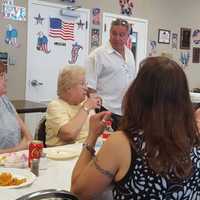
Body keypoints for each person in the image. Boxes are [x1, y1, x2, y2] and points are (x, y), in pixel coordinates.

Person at [71, 57, 200, 200]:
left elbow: (79, 192)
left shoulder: (123, 143)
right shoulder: (194, 138)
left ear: (138, 93)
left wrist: (92, 137)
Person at [86, 18, 136, 131]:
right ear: (109, 33)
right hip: (106, 110)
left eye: (122, 35)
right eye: (114, 34)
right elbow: (90, 88)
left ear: (127, 36)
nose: (117, 38)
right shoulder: (97, 55)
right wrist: (96, 112)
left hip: (126, 112)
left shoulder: (130, 54)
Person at [45, 65, 101, 147]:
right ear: (68, 88)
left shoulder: (85, 103)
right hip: (62, 155)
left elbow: (95, 131)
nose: (86, 88)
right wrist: (86, 108)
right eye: (82, 84)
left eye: (86, 84)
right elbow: (69, 134)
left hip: (87, 150)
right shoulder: (55, 106)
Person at [0, 61, 32, 154]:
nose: (6, 79)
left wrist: (22, 148)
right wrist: (18, 149)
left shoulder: (4, 99)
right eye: (1, 76)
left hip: (14, 160)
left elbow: (28, 136)